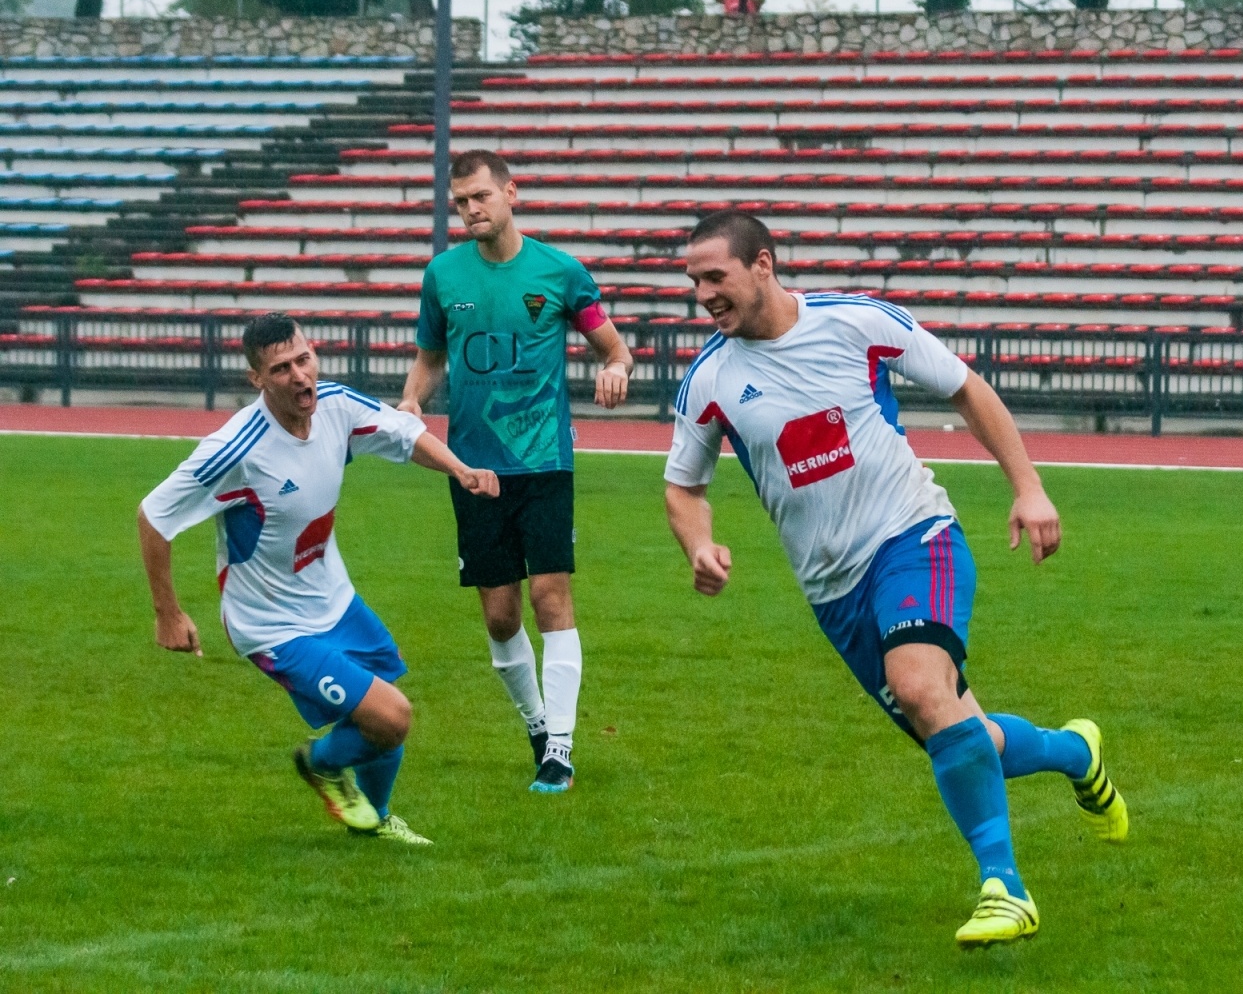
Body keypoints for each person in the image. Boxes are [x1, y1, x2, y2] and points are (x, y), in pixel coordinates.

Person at [662, 211, 1128, 949]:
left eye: (715, 277)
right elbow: (683, 487)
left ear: (763, 264)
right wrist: (700, 543)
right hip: (834, 594)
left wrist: (1028, 486)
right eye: (694, 282)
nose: (704, 295)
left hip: (914, 537)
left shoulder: (855, 323)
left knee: (919, 688)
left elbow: (966, 388)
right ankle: (1078, 753)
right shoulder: (711, 380)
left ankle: (1004, 888)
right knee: (963, 737)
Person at [136, 312, 501, 844]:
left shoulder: (335, 406)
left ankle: (374, 821)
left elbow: (404, 433)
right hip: (270, 625)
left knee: (382, 702)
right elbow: (153, 516)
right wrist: (167, 613)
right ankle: (322, 765)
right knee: (393, 717)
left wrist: (460, 470)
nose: (299, 375)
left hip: (334, 597)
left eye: (304, 359)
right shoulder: (237, 448)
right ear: (256, 380)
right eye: (281, 368)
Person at [400, 148, 633, 794]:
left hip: (544, 462)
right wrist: (413, 396)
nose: (471, 210)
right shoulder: (443, 277)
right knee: (501, 616)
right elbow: (430, 356)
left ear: (511, 193)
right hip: (473, 469)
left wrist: (615, 367)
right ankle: (535, 722)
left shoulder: (559, 273)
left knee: (550, 597)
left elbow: (614, 346)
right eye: (461, 203)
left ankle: (559, 746)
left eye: (480, 197)